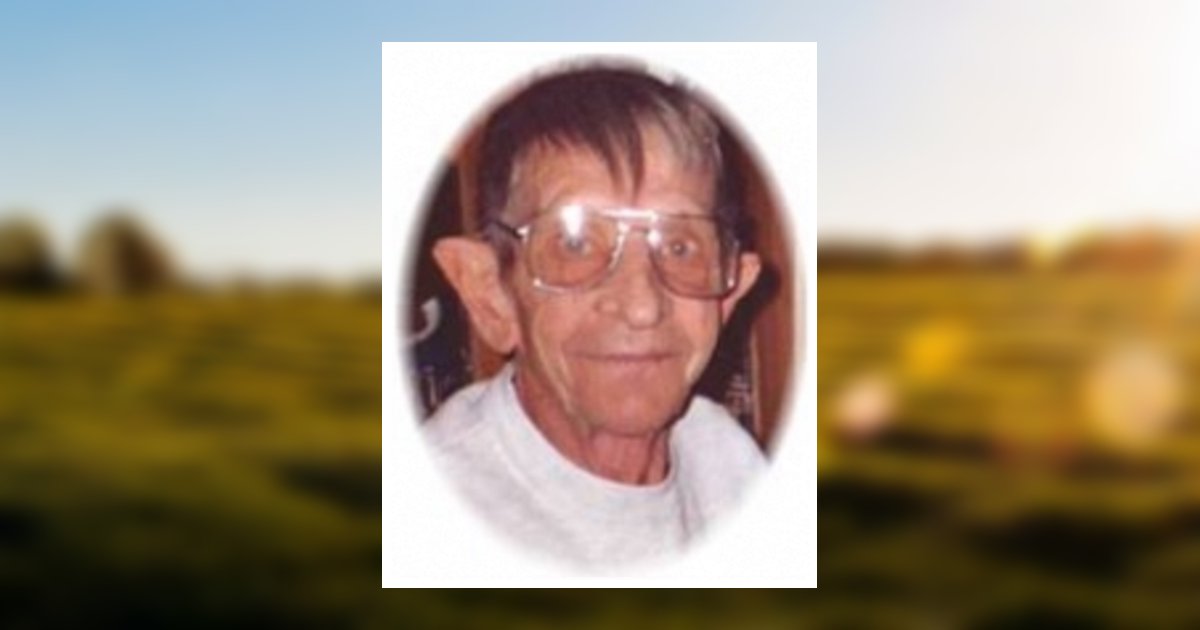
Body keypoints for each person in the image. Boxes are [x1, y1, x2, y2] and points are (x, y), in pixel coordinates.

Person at [425, 62, 766, 568]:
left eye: (679, 246)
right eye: (576, 243)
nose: (642, 305)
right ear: (491, 295)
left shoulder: (731, 465)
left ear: (727, 296)